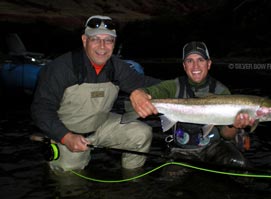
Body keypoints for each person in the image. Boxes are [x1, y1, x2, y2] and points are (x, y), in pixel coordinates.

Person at [31, 15, 160, 173]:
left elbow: (146, 83)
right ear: (84, 40)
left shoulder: (117, 67)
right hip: (67, 132)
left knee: (141, 133)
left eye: (109, 40)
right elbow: (41, 109)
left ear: (114, 44)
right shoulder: (60, 68)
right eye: (95, 39)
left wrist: (183, 85)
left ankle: (132, 180)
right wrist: (65, 136)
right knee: (70, 184)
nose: (102, 46)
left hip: (101, 125)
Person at [129, 41, 255, 167]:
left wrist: (235, 125)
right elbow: (152, 91)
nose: (195, 66)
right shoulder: (173, 86)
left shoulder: (222, 91)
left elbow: (227, 135)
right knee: (170, 180)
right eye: (190, 61)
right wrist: (140, 93)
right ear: (184, 66)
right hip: (181, 150)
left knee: (239, 165)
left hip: (213, 148)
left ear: (209, 64)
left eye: (200, 60)